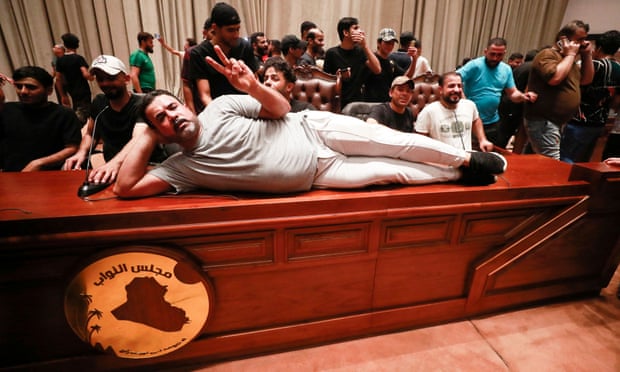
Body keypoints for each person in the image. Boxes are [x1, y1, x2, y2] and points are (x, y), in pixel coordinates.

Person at [113, 45, 508, 199]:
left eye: (171, 107)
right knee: (395, 173)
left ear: (185, 105)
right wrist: (145, 133)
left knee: (395, 143)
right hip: (318, 173)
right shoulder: (180, 168)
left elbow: (281, 110)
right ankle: (457, 178)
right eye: (160, 120)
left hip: (313, 129)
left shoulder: (217, 108)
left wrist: (252, 87)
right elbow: (126, 189)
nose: (172, 117)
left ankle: (465, 160)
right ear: (159, 131)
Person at [63, 55, 167, 184]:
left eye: (111, 78)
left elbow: (138, 139)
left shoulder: (143, 104)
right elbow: (91, 133)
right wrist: (82, 152)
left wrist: (114, 164)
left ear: (126, 79)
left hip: (148, 168)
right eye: (100, 79)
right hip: (113, 170)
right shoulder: (99, 102)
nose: (105, 83)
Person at [524, 20, 595, 160]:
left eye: (585, 39)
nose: (584, 43)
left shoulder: (569, 61)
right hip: (544, 121)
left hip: (556, 122)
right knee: (551, 164)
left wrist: (587, 55)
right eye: (580, 40)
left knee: (536, 162)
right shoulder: (547, 54)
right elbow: (554, 78)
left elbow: (586, 80)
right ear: (564, 39)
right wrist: (570, 55)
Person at [457, 37, 538, 145]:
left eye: (499, 55)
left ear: (504, 53)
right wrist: (464, 100)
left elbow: (513, 93)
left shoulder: (506, 69)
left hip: (492, 122)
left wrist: (523, 96)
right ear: (486, 51)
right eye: (492, 54)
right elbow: (454, 78)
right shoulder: (475, 65)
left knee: (489, 155)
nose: (495, 58)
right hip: (470, 121)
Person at [0, 66, 81, 171]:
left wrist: (39, 163)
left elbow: (72, 148)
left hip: (50, 174)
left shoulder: (64, 114)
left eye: (31, 87)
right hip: (10, 176)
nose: (23, 91)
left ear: (49, 91)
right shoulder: (6, 110)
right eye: (19, 87)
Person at [561, 30, 620, 163]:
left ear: (598, 48)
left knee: (566, 156)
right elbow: (616, 101)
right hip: (600, 121)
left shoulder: (591, 65)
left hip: (578, 119)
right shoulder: (618, 69)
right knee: (584, 160)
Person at [189, 2, 258, 112]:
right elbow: (205, 96)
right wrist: (222, 116)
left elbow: (255, 83)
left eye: (238, 29)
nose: (236, 35)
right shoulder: (198, 53)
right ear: (215, 28)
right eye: (230, 30)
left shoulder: (245, 46)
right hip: (219, 110)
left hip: (247, 107)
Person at [415, 72, 493, 152]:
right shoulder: (428, 112)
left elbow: (476, 120)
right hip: (442, 162)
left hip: (468, 159)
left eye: (459, 86)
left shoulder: (470, 105)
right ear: (440, 90)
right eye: (451, 86)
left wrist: (482, 139)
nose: (456, 90)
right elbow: (419, 144)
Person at [323, 17, 381, 109]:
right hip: (338, 101)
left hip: (357, 102)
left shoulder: (361, 51)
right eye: (356, 28)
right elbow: (325, 81)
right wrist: (339, 77)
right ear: (346, 33)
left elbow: (377, 69)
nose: (361, 32)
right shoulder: (332, 53)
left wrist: (365, 46)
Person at [497, 48, 539, 149]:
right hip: (514, 106)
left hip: (509, 103)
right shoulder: (531, 68)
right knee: (503, 137)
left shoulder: (523, 67)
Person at [363, 28, 416, 103]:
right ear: (379, 43)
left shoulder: (391, 63)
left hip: (385, 104)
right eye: (387, 42)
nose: (390, 46)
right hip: (369, 103)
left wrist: (414, 59)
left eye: (392, 43)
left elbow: (406, 77)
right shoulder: (371, 59)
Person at [55, 33, 93, 125]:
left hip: (70, 89)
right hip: (82, 89)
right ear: (77, 45)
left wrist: (63, 95)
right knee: (85, 112)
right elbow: (85, 74)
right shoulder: (78, 58)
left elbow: (58, 79)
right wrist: (92, 77)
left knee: (76, 108)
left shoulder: (60, 60)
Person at [182, 19, 213, 114]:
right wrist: (192, 111)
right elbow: (186, 83)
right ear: (205, 33)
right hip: (203, 110)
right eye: (213, 32)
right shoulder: (192, 53)